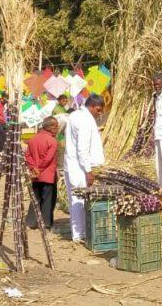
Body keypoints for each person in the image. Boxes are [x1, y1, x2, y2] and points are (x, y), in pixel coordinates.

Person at [64, 94, 106, 243]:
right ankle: (79, 234)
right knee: (79, 200)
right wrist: (88, 171)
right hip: (80, 167)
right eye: (98, 110)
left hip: (73, 165)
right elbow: (82, 149)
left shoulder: (75, 115)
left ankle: (79, 232)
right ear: (91, 106)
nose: (99, 113)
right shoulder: (84, 120)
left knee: (76, 199)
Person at [26, 116, 60, 229]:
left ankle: (31, 222)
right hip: (47, 175)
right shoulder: (52, 141)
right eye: (55, 126)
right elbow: (48, 159)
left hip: (35, 175)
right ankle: (46, 223)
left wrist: (33, 168)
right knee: (48, 199)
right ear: (49, 127)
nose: (57, 128)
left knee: (36, 198)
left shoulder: (32, 139)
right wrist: (38, 169)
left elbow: (28, 156)